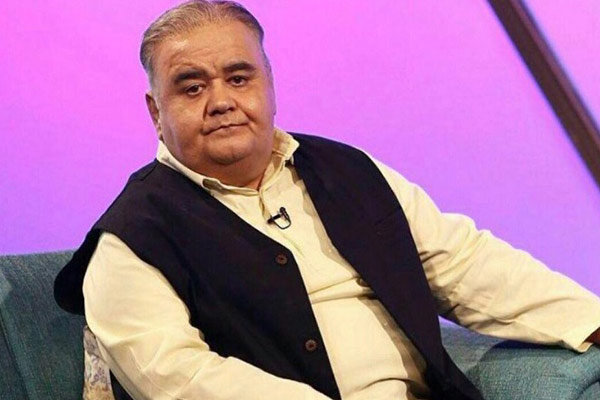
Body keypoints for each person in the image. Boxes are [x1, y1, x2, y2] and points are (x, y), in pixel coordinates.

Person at [54, 1, 600, 399]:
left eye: (239, 78)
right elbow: (179, 378)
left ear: (269, 84)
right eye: (191, 87)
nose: (220, 101)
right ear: (156, 111)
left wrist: (590, 319)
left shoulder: (349, 170)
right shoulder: (131, 236)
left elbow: (462, 262)